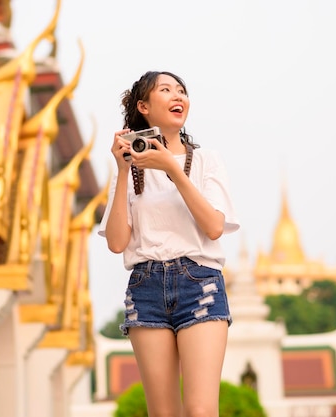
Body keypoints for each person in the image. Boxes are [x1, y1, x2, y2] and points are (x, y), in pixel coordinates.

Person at [98, 70, 240, 417]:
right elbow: (117, 243)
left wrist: (173, 169)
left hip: (199, 283)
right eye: (166, 90)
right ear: (143, 106)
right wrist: (121, 169)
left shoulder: (207, 160)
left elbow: (214, 226)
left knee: (200, 411)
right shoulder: (129, 168)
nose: (178, 96)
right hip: (146, 287)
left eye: (182, 91)